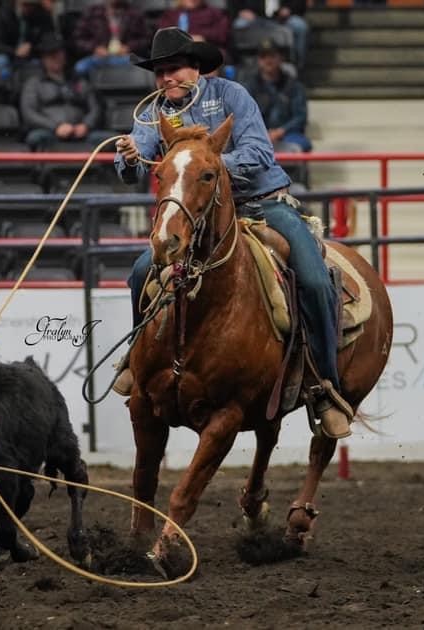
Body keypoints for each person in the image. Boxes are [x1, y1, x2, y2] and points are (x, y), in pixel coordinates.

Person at [112, 27, 352, 439]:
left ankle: (325, 386)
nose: (167, 78)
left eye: (175, 69)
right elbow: (134, 160)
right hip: (201, 219)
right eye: (160, 72)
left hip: (262, 204)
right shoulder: (154, 112)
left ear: (197, 69)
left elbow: (260, 153)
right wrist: (131, 158)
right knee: (140, 272)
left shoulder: (231, 96)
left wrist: (207, 166)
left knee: (313, 279)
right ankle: (138, 359)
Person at [19, 34, 112, 150]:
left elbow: (95, 107)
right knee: (36, 138)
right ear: (43, 58)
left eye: (59, 53)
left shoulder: (81, 81)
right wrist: (55, 127)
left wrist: (86, 125)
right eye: (51, 55)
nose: (56, 57)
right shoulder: (34, 84)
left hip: (83, 132)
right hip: (48, 132)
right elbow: (29, 113)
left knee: (112, 140)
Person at [243, 38, 311, 153]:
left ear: (280, 58)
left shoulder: (294, 86)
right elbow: (244, 117)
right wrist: (263, 133)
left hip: (288, 134)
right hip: (257, 135)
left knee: (302, 145)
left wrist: (280, 131)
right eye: (263, 57)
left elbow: (300, 117)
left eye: (272, 56)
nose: (268, 60)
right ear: (258, 60)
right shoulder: (249, 87)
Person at [71, 0, 151, 77]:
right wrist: (95, 48)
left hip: (126, 57)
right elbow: (78, 39)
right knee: (80, 68)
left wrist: (129, 47)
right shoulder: (93, 12)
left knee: (148, 70)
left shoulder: (135, 12)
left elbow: (146, 39)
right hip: (100, 58)